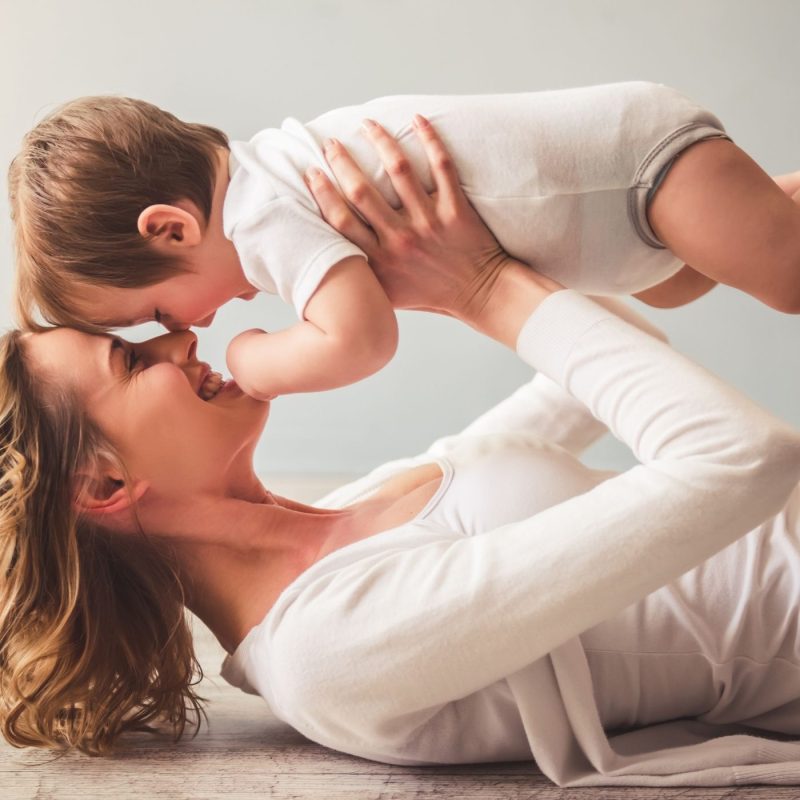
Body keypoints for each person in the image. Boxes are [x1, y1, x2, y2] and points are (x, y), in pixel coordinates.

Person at [2, 121, 800, 789]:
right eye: (130, 360)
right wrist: (478, 287)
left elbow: (600, 364)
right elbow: (747, 459)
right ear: (102, 484)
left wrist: (421, 245)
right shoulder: (328, 645)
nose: (181, 338)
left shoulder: (354, 507)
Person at [8, 84, 800, 402]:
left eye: (158, 310)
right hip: (626, 223)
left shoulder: (258, 213)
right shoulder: (273, 177)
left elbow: (360, 339)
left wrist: (255, 363)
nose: (194, 327)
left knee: (788, 278)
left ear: (170, 228)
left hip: (641, 174)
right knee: (690, 278)